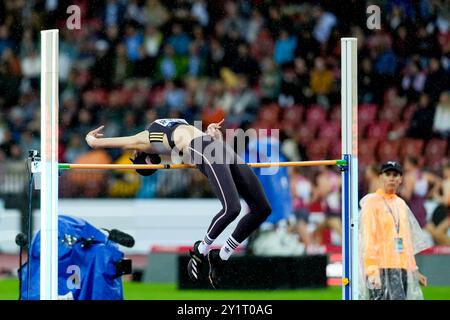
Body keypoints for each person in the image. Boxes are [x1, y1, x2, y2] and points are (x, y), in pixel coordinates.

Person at [85, 118, 272, 288]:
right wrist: (93, 142)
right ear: (145, 155)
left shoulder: (158, 140)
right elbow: (120, 142)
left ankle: (221, 256)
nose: (134, 150)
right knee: (232, 208)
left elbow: (188, 136)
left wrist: (210, 132)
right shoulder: (146, 140)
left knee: (262, 209)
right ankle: (201, 249)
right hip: (205, 148)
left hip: (213, 146)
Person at [359, 161, 430, 300]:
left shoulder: (401, 204)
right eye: (388, 174)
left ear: (400, 179)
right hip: (380, 268)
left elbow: (406, 240)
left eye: (395, 174)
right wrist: (372, 270)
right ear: (381, 177)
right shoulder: (372, 203)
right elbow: (368, 238)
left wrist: (414, 270)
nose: (392, 178)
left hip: (400, 268)